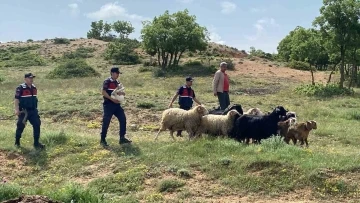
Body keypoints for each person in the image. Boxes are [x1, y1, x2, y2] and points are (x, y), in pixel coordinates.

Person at [100, 67, 132, 147]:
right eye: (117, 73)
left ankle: (122, 138)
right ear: (112, 73)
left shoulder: (118, 82)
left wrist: (122, 94)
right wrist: (111, 99)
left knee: (123, 119)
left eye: (118, 73)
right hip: (108, 105)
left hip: (117, 105)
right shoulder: (107, 81)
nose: (118, 75)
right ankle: (102, 139)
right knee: (106, 122)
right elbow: (103, 92)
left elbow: (120, 92)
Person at [14, 73, 45, 149]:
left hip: (33, 111)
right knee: (20, 125)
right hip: (24, 111)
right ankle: (17, 142)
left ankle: (36, 143)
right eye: (29, 78)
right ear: (25, 79)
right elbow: (16, 99)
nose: (31, 79)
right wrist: (16, 109)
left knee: (37, 124)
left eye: (32, 78)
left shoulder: (34, 88)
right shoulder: (20, 87)